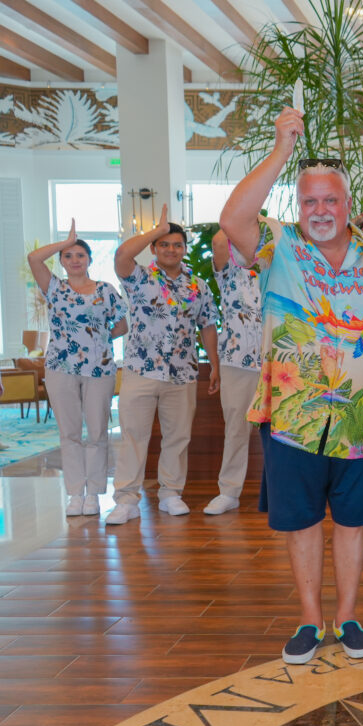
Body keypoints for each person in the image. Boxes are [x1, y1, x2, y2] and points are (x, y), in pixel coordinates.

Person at [220, 105, 363, 664]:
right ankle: (311, 621)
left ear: (347, 203)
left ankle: (348, 618)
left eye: (330, 200)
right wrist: (281, 151)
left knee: (354, 523)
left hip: (358, 420)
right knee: (304, 524)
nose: (320, 210)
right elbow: (233, 219)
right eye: (310, 201)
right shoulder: (279, 247)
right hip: (292, 420)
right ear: (298, 206)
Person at [106, 206, 219, 525]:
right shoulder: (139, 277)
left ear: (184, 249)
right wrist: (157, 230)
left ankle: (170, 493)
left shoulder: (197, 285)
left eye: (177, 245)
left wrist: (215, 365)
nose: (171, 249)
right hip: (140, 371)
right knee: (133, 436)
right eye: (164, 244)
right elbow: (122, 254)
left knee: (178, 437)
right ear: (154, 248)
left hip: (182, 373)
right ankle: (126, 500)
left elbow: (208, 325)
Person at [27, 220, 127, 517]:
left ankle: (93, 494)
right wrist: (65, 241)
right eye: (68, 256)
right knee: (69, 433)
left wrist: (97, 340)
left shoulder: (106, 290)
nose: (74, 260)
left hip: (100, 369)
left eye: (80, 255)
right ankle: (74, 494)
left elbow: (122, 325)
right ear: (61, 261)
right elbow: (34, 258)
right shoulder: (54, 287)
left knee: (97, 432)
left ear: (90, 260)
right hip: (60, 368)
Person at [203, 229, 262, 515]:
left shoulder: (279, 272)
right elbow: (217, 241)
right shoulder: (229, 272)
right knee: (236, 429)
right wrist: (246, 216)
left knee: (282, 433)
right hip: (237, 362)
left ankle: (282, 490)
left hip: (279, 362)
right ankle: (229, 491)